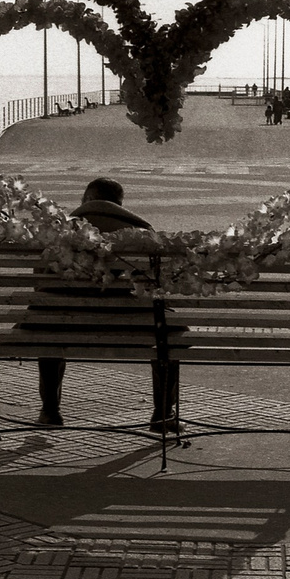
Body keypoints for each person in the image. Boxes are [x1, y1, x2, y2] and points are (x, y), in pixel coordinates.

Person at [27, 178, 181, 431]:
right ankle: (163, 414)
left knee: (47, 316)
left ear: (87, 200)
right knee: (169, 333)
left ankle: (50, 411)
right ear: (119, 204)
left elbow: (40, 284)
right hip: (130, 325)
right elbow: (154, 287)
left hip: (63, 323)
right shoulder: (142, 232)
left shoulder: (56, 230)